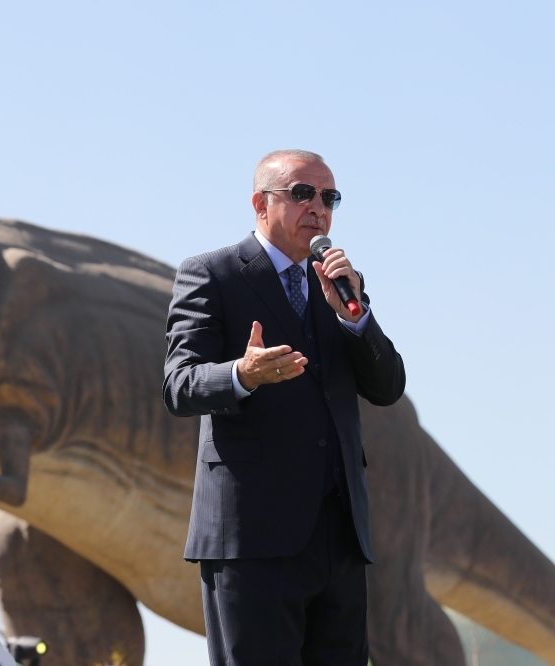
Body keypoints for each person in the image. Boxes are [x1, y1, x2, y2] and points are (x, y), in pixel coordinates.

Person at [162, 150, 406, 665]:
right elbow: (179, 385)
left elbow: (387, 387)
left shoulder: (339, 285)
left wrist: (356, 321)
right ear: (260, 203)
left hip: (339, 537)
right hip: (253, 538)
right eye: (301, 193)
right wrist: (241, 375)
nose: (317, 207)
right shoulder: (213, 274)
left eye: (328, 197)